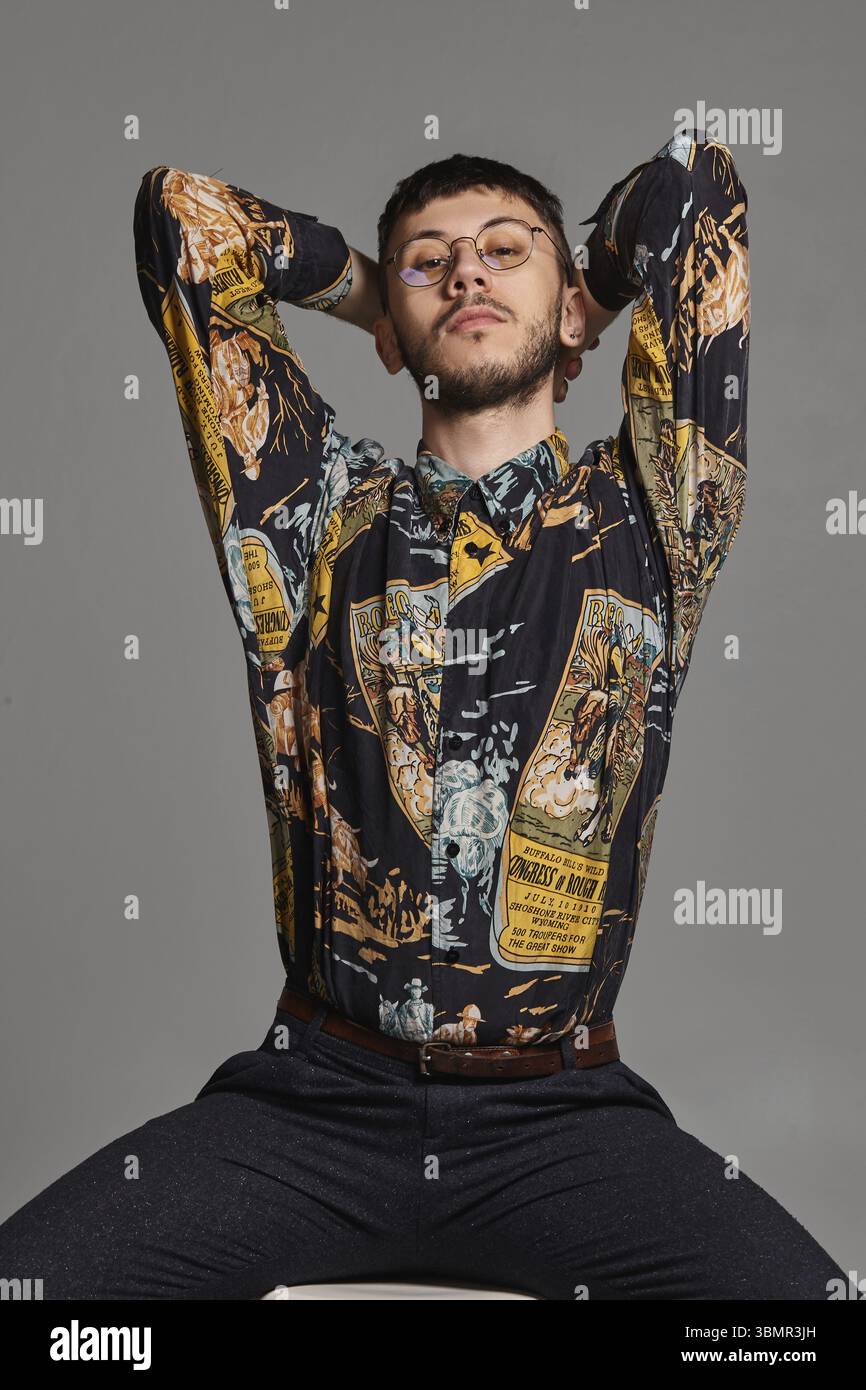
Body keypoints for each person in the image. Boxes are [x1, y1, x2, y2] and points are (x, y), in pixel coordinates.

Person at [0, 129, 847, 1300]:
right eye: (428, 259)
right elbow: (183, 219)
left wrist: (592, 290)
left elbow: (693, 190)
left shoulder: (652, 515)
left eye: (505, 250)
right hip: (313, 1108)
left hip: (563, 1123)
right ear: (395, 335)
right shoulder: (309, 510)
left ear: (563, 308)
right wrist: (369, 296)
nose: (465, 273)